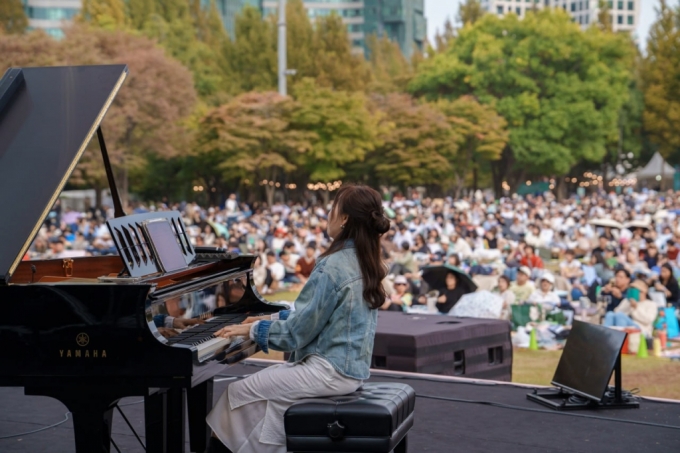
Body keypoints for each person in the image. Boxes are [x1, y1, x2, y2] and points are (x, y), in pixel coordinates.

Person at [205, 185, 391, 453]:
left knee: (236, 394)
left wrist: (252, 330)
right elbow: (314, 316)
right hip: (351, 372)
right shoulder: (366, 259)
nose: (328, 214)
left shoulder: (333, 265)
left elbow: (297, 334)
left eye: (333, 208)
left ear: (345, 219)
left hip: (327, 371)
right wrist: (267, 317)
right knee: (268, 400)